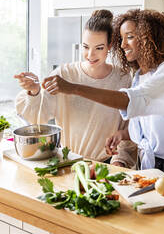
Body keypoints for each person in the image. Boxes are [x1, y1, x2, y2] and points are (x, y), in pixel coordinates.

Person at [41, 9, 164, 184]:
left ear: (149, 37)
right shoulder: (139, 76)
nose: (123, 44)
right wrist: (123, 134)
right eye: (122, 38)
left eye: (130, 37)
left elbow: (129, 100)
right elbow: (147, 126)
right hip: (149, 164)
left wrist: (73, 88)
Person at [14, 10, 136, 168]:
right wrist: (34, 91)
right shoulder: (64, 74)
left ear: (110, 46)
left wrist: (119, 162)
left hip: (106, 167)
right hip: (67, 162)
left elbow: (128, 130)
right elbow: (39, 119)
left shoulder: (123, 78)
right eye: (85, 47)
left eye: (99, 48)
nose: (90, 55)